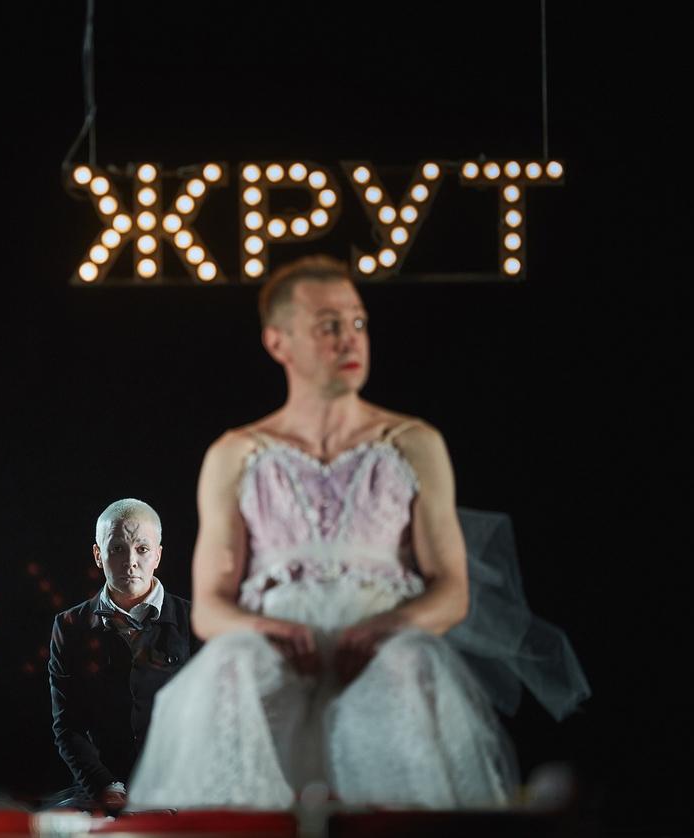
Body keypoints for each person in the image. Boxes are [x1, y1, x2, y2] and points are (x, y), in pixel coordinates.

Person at [128, 255, 520, 810]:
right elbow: (210, 608)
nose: (349, 338)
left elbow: (451, 591)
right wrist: (267, 629)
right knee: (231, 668)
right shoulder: (235, 453)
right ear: (278, 342)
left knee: (408, 666)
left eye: (358, 322)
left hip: (383, 648)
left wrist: (387, 627)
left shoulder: (413, 442)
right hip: (276, 653)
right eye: (328, 325)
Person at [48, 499, 197, 811]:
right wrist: (105, 787)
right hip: (100, 791)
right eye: (117, 549)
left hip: (182, 790)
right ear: (98, 555)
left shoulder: (194, 621)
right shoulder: (70, 626)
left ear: (157, 555)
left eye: (142, 549)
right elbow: (68, 726)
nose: (130, 561)